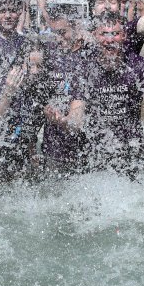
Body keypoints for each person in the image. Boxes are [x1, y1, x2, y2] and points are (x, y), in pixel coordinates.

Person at [60, 12, 144, 184]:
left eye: (115, 33)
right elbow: (76, 117)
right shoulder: (85, 69)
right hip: (95, 157)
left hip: (133, 154)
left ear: (124, 36)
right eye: (104, 34)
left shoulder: (139, 66)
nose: (110, 40)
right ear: (95, 36)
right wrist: (64, 122)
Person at [0, 41, 52, 181]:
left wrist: (32, 154)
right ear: (21, 65)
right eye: (30, 66)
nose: (35, 71)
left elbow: (30, 131)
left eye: (40, 66)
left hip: (22, 160)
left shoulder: (40, 91)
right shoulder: (4, 84)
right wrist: (9, 92)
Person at [42, 9, 95, 173]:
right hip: (53, 144)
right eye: (53, 34)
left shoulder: (89, 55)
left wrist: (90, 37)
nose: (58, 39)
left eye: (62, 32)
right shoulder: (49, 55)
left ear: (76, 28)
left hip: (83, 144)